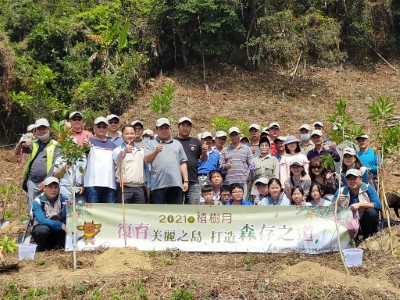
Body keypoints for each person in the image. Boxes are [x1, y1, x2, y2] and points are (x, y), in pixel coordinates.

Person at [145, 118, 189, 204]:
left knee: (175, 213)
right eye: (161, 128)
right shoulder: (150, 143)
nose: (164, 130)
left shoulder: (177, 143)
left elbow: (183, 163)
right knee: (159, 214)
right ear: (157, 130)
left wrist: (186, 181)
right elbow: (147, 160)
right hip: (158, 185)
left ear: (170, 129)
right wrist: (155, 151)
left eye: (166, 128)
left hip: (176, 184)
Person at [22, 118, 60, 212]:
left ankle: (44, 225)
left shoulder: (56, 145)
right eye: (39, 129)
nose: (42, 131)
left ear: (49, 129)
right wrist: (25, 145)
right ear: (36, 131)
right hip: (32, 181)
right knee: (32, 206)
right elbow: (26, 149)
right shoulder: (33, 143)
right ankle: (32, 224)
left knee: (47, 206)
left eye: (44, 128)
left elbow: (55, 164)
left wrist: (46, 181)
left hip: (49, 183)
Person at [333, 169, 381, 239]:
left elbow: (378, 205)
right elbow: (330, 208)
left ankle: (368, 237)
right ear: (346, 181)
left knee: (371, 212)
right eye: (349, 179)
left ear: (361, 179)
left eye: (354, 178)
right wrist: (337, 202)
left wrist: (360, 204)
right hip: (347, 222)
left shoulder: (368, 188)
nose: (352, 181)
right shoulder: (341, 191)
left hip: (364, 221)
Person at [174, 117, 207, 204]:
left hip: (193, 180)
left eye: (188, 126)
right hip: (176, 180)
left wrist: (204, 152)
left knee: (193, 208)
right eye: (183, 125)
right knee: (176, 208)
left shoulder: (196, 141)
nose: (185, 128)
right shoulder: (173, 141)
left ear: (191, 128)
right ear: (178, 127)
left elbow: (203, 159)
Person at [84, 117, 117, 203]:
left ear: (107, 128)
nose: (101, 128)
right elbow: (86, 148)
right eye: (99, 126)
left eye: (104, 126)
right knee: (93, 213)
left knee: (109, 214)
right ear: (94, 127)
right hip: (92, 183)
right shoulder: (89, 141)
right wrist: (86, 145)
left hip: (110, 183)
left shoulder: (113, 145)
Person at [31, 177, 68, 251]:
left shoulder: (63, 199)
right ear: (44, 188)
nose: (53, 190)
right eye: (50, 187)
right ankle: (41, 246)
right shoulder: (37, 202)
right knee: (42, 230)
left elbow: (64, 217)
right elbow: (42, 220)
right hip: (43, 228)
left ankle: (56, 246)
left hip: (58, 230)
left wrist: (68, 207)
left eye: (55, 187)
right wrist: (60, 225)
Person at [113, 125, 146, 204]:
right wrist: (124, 151)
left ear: (135, 134)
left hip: (139, 188)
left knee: (139, 213)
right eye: (127, 134)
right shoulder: (118, 149)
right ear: (122, 136)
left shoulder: (141, 151)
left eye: (132, 133)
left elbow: (146, 168)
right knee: (124, 214)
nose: (130, 136)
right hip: (124, 188)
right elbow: (116, 160)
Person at [219, 127, 253, 199]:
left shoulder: (247, 149)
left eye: (236, 134)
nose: (234, 137)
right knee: (232, 204)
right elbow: (220, 166)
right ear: (229, 136)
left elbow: (251, 165)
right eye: (232, 135)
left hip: (244, 181)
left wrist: (250, 178)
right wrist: (225, 166)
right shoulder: (225, 150)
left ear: (239, 135)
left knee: (244, 203)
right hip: (229, 181)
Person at [53, 137, 86, 203]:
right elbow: (56, 175)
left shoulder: (83, 158)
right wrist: (67, 164)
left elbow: (86, 174)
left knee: (80, 211)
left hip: (79, 188)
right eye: (68, 145)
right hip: (65, 187)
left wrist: (84, 187)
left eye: (73, 145)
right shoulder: (60, 159)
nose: (70, 147)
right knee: (66, 209)